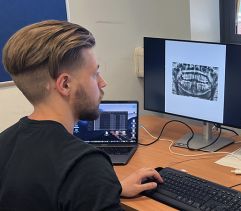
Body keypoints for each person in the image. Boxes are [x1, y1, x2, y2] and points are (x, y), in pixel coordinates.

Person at [0, 20, 163, 210]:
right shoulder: (84, 165)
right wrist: (96, 184)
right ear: (65, 85)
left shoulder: (4, 142)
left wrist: (109, 189)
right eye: (95, 74)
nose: (103, 83)